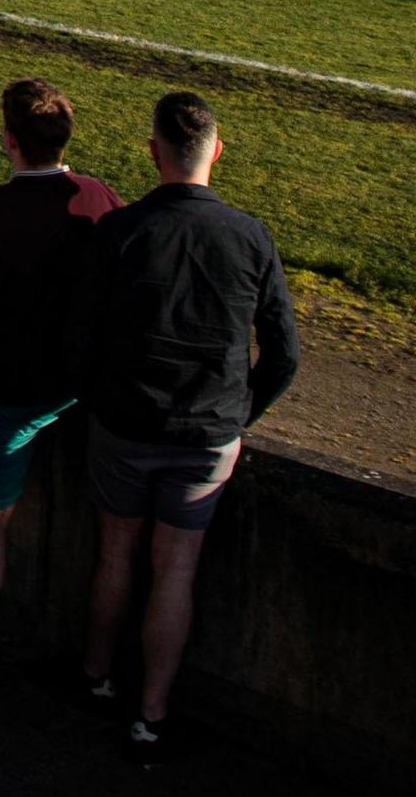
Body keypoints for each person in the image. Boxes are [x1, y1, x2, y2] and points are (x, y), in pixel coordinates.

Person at [72, 90, 302, 764]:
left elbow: (79, 340)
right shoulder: (250, 236)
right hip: (205, 436)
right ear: (217, 154)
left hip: (127, 424)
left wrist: (103, 399)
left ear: (154, 153)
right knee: (177, 570)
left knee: (116, 554)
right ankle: (152, 713)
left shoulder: (123, 231)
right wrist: (236, 417)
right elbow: (284, 354)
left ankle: (97, 674)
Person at [0, 79, 120, 707]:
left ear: (9, 140)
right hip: (83, 389)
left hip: (12, 390)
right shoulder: (100, 199)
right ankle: (100, 668)